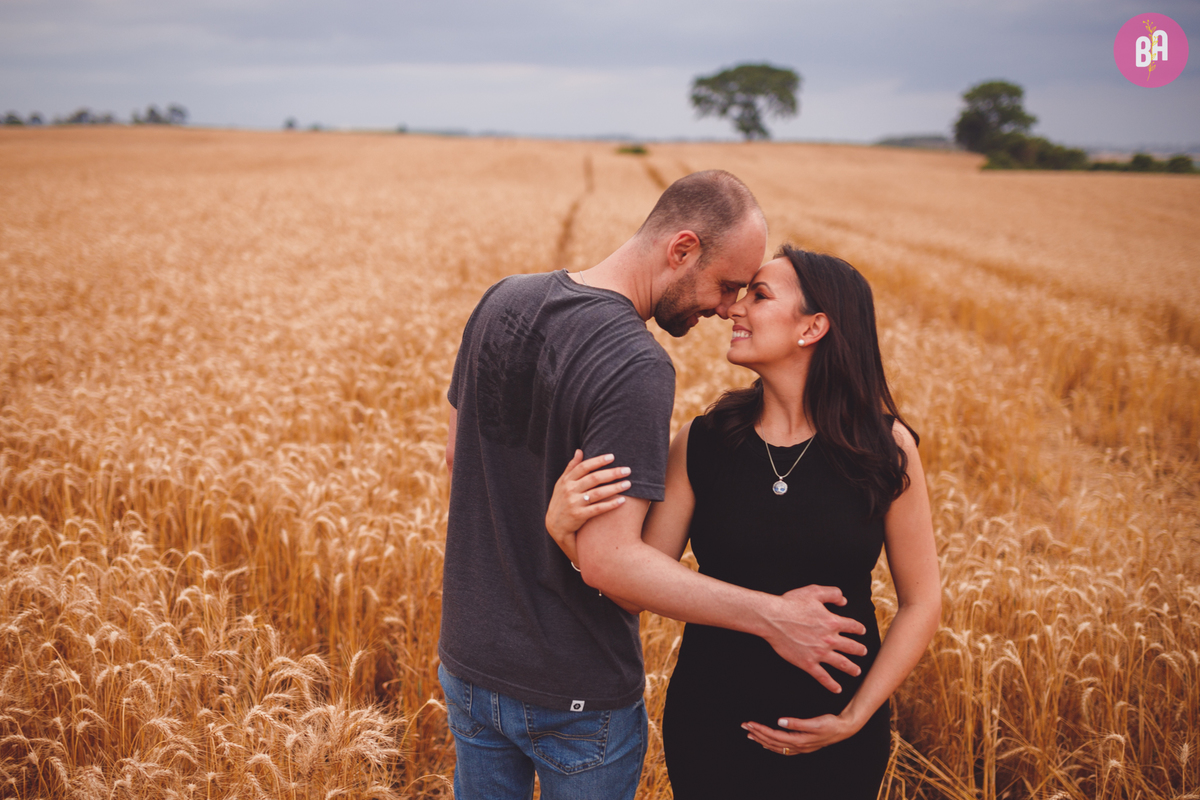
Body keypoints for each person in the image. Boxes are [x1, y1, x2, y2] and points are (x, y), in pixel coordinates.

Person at [441, 172, 871, 800]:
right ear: (682, 249)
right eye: (727, 285)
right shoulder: (635, 364)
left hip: (470, 667)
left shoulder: (501, 299)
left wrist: (552, 521)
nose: (727, 308)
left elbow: (460, 456)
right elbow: (614, 562)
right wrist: (773, 615)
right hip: (574, 694)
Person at [546, 245, 941, 798]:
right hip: (711, 726)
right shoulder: (703, 442)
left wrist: (855, 718)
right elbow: (634, 584)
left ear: (814, 327)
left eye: (759, 295)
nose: (734, 308)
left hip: (838, 739)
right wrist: (568, 534)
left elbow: (922, 602)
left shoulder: (884, 448)